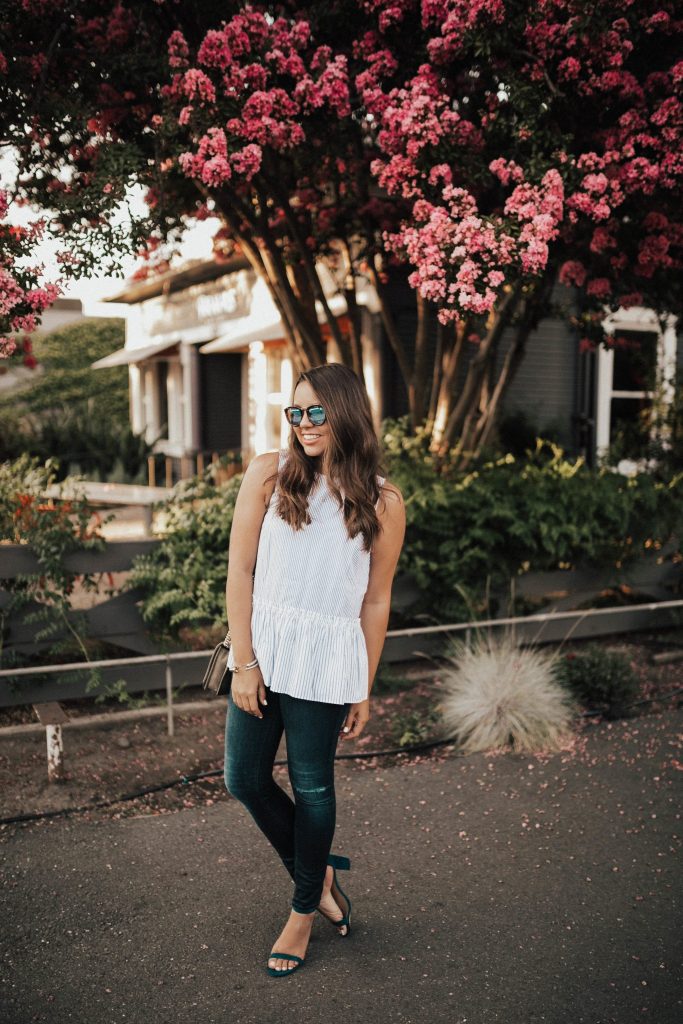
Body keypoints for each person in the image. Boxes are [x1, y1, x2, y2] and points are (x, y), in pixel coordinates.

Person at [223, 362, 406, 977]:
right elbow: (240, 573)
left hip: (328, 661)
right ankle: (319, 868)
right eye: (294, 412)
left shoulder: (382, 501)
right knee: (243, 777)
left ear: (346, 413)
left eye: (316, 412)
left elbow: (375, 599)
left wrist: (365, 682)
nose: (302, 425)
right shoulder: (268, 475)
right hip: (266, 651)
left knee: (314, 788)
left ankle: (304, 909)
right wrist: (244, 661)